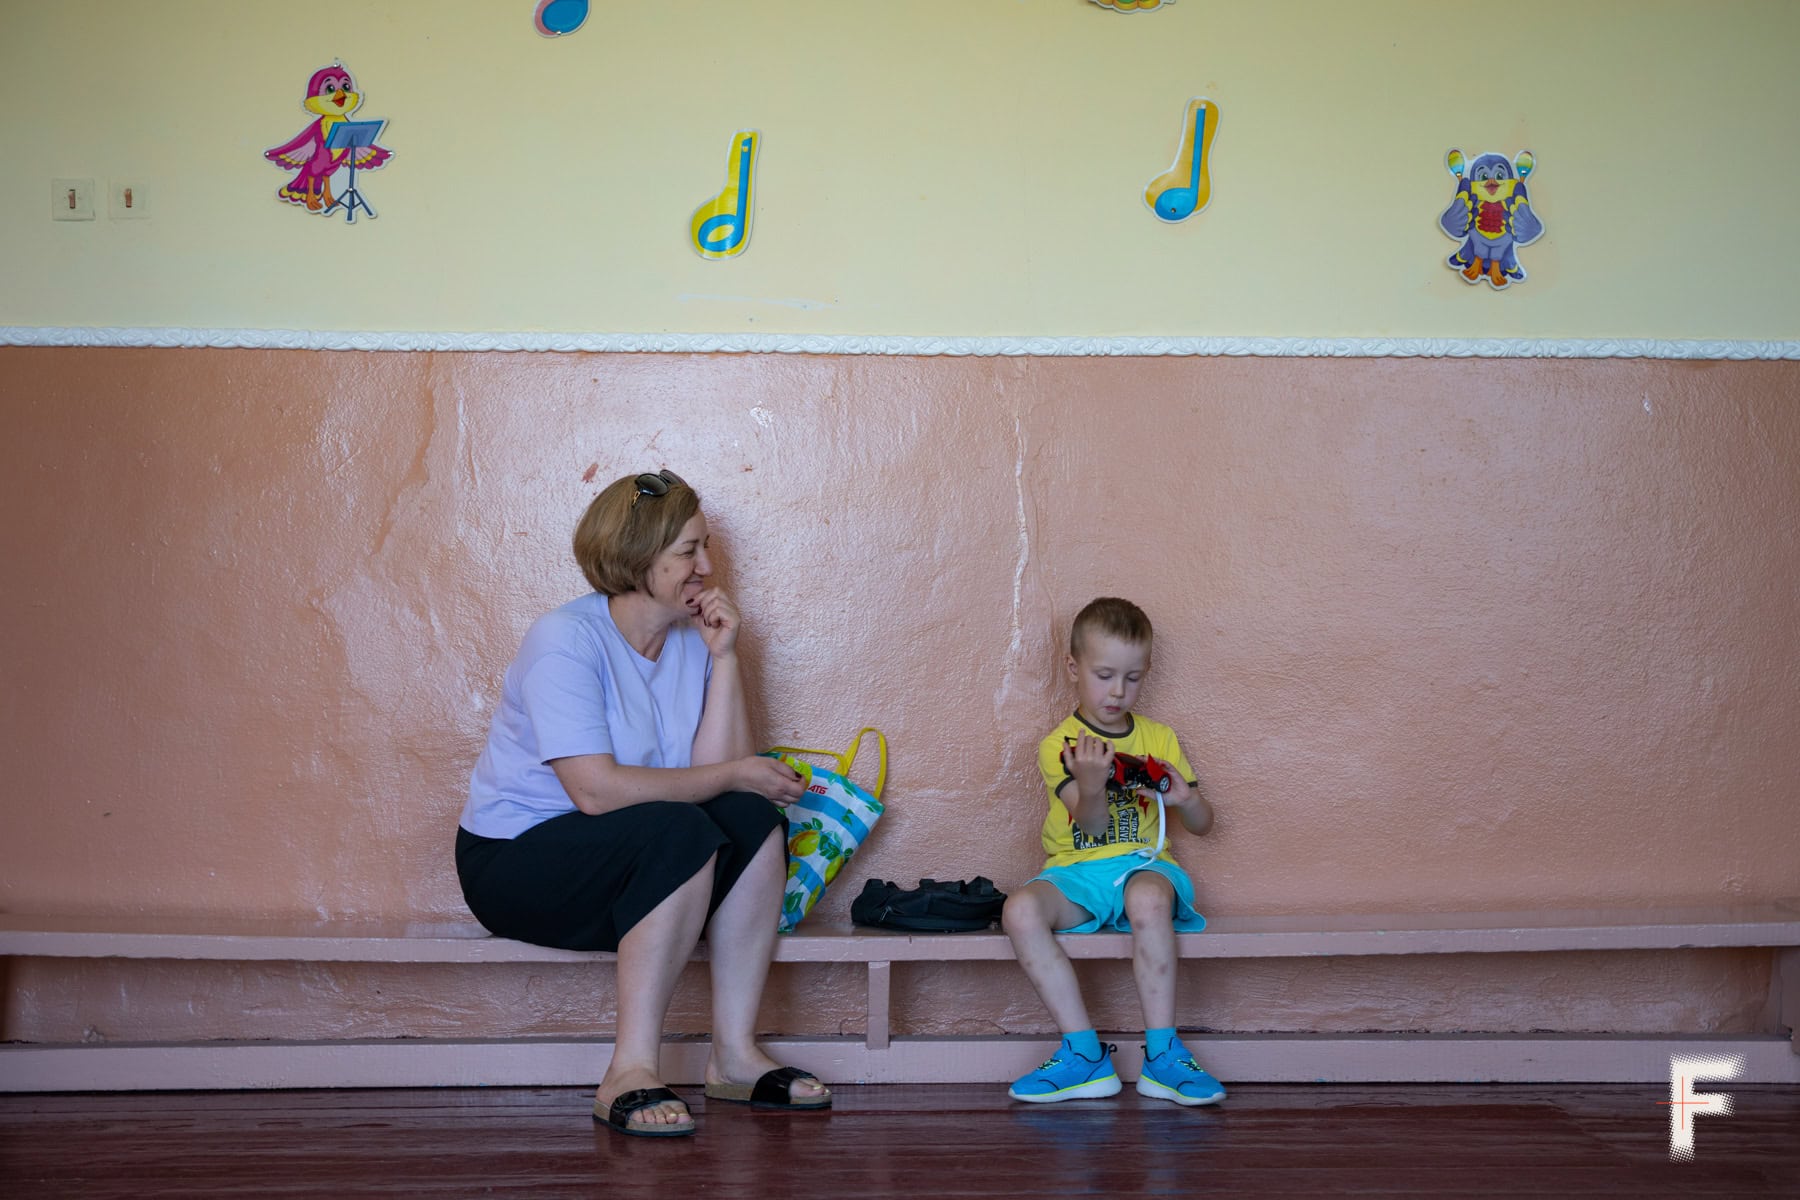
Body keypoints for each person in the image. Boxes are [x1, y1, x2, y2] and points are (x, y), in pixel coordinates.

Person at [455, 469, 830, 1138]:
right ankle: (628, 1070)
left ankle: (735, 1056)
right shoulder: (564, 640)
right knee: (680, 828)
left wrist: (724, 660)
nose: (707, 567)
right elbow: (595, 791)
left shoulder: (692, 637)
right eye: (688, 551)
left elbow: (725, 781)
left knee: (747, 816)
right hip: (517, 861)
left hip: (634, 853)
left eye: (704, 547)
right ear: (638, 557)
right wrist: (734, 776)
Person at [1001, 597, 1225, 1106]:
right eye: (1104, 675)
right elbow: (1093, 825)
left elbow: (1204, 825)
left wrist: (1186, 799)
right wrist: (1091, 782)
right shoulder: (1059, 744)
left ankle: (1164, 1056)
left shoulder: (1159, 738)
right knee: (1018, 909)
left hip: (1144, 867)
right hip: (1076, 873)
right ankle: (1083, 1056)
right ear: (1073, 669)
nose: (1118, 691)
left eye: (1133, 677)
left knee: (1148, 899)